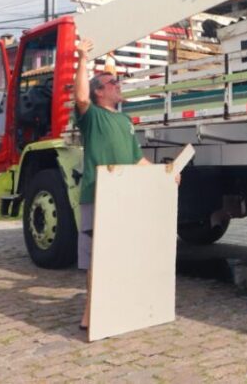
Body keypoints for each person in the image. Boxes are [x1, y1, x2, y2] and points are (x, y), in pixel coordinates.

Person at [73, 38, 152, 331]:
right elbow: (80, 97)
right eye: (112, 82)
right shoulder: (91, 116)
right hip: (98, 194)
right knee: (98, 256)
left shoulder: (125, 121)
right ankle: (90, 312)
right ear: (98, 91)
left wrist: (166, 174)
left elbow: (137, 160)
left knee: (121, 253)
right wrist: (83, 58)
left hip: (124, 197)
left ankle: (118, 306)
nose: (118, 85)